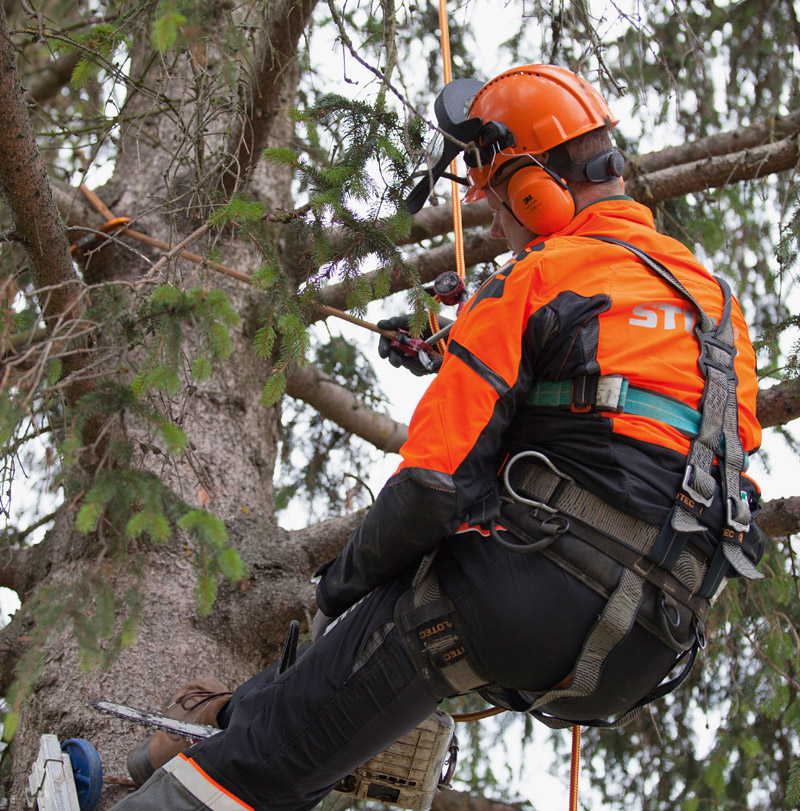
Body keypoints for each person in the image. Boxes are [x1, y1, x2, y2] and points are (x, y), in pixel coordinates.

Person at [111, 64, 764, 811]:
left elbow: (430, 486)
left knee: (266, 759)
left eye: (497, 204)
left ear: (533, 188)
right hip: (655, 635)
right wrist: (454, 350)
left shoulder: (536, 280)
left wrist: (336, 591)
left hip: (520, 599)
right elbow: (642, 445)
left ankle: (201, 761)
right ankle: (203, 731)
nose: (493, 227)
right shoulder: (717, 308)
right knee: (321, 708)